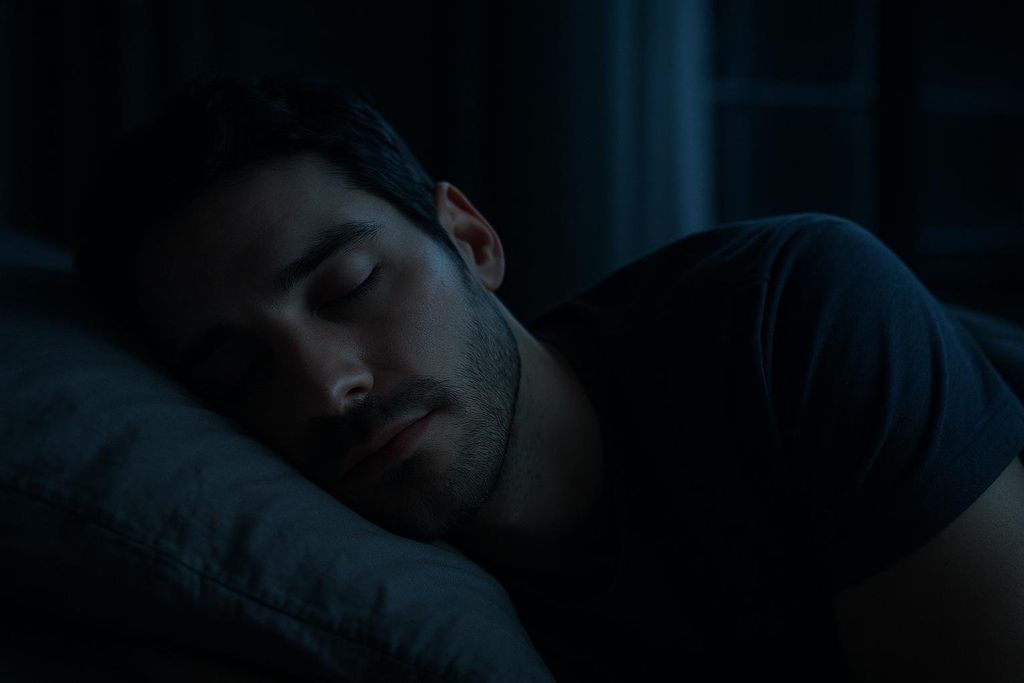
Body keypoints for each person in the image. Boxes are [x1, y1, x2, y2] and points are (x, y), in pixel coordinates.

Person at [74, 76, 1024, 682]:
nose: (326, 389)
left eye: (352, 285)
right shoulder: (345, 595)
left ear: (473, 240)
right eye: (240, 371)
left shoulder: (792, 312)